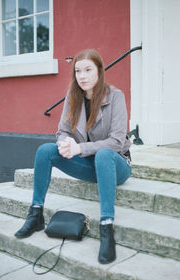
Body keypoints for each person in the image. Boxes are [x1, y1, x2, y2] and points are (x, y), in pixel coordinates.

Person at [15, 49, 132, 264]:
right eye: (78, 71)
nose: (82, 76)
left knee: (104, 153)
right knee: (45, 151)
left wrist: (80, 148)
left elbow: (117, 141)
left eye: (88, 70)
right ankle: (36, 214)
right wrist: (65, 143)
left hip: (116, 164)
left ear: (99, 71)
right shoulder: (73, 96)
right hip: (90, 165)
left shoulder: (116, 96)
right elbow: (62, 131)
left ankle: (107, 227)